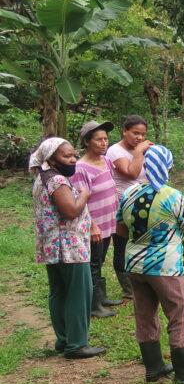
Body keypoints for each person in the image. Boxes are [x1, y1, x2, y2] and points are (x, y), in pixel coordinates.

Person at [116, 145, 184, 384]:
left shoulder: (129, 192)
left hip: (135, 264)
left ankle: (154, 367)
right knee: (178, 313)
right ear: (168, 166)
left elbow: (120, 229)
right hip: (165, 266)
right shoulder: (172, 196)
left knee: (145, 313)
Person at [30, 137, 106, 359]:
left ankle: (64, 339)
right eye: (66, 156)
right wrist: (83, 195)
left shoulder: (41, 178)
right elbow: (70, 211)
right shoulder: (56, 180)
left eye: (74, 154)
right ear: (51, 159)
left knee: (60, 292)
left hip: (53, 246)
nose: (73, 159)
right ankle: (77, 344)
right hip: (68, 246)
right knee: (78, 294)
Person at [72, 121, 122, 318]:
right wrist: (92, 225)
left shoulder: (106, 161)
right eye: (99, 140)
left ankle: (102, 298)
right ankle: (93, 305)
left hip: (108, 221)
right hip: (94, 225)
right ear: (87, 142)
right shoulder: (80, 168)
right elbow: (80, 200)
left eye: (106, 139)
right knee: (93, 263)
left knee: (99, 260)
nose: (104, 143)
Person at [106, 115, 152, 301]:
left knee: (141, 242)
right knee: (122, 244)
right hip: (121, 205)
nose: (139, 138)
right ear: (124, 131)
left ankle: (141, 280)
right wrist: (140, 152)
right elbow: (132, 173)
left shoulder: (141, 150)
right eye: (135, 133)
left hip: (142, 204)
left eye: (142, 134)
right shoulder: (115, 151)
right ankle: (127, 288)